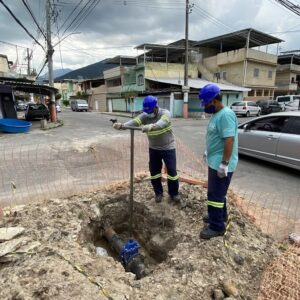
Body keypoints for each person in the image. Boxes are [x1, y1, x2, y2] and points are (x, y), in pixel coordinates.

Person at [112, 95, 180, 204]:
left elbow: (162, 123)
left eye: (150, 111)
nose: (148, 113)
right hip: (154, 149)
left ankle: (174, 194)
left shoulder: (165, 113)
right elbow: (135, 121)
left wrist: (151, 126)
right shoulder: (145, 115)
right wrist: (122, 126)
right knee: (154, 172)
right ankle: (158, 193)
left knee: (172, 172)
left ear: (155, 107)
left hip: (168, 148)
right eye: (146, 111)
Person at [198, 83, 238, 240]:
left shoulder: (226, 115)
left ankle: (216, 226)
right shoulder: (217, 114)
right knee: (218, 192)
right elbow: (217, 137)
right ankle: (220, 216)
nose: (204, 107)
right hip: (214, 160)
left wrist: (224, 163)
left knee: (215, 194)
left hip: (221, 164)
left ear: (214, 101)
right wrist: (209, 150)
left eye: (206, 103)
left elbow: (229, 140)